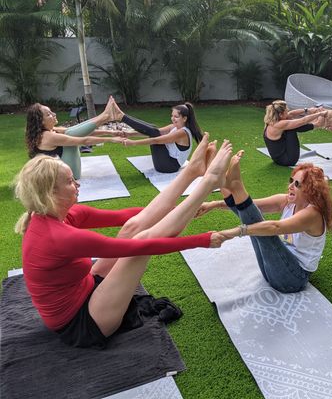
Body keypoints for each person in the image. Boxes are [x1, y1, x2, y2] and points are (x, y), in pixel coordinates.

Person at [14, 135, 232, 348]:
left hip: (86, 288)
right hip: (82, 323)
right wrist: (202, 240)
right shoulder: (58, 236)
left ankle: (193, 172)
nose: (77, 184)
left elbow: (125, 217)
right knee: (141, 242)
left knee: (132, 229)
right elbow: (141, 247)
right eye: (70, 182)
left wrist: (181, 208)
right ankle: (208, 182)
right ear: (51, 193)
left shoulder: (59, 214)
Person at [202, 153, 332, 293]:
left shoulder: (313, 214)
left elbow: (275, 227)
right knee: (255, 222)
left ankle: (234, 185)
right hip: (272, 269)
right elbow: (252, 207)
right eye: (291, 180)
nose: (290, 186)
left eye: (297, 184)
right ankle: (225, 183)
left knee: (265, 231)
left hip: (293, 279)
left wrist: (233, 232)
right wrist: (213, 204)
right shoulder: (287, 201)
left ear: (310, 190)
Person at [25, 99, 123, 179]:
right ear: (41, 122)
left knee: (70, 131)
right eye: (49, 114)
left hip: (63, 173)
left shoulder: (51, 131)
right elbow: (84, 141)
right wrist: (110, 139)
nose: (54, 114)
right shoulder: (48, 136)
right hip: (64, 178)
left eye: (51, 111)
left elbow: (80, 131)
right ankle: (105, 116)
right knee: (70, 135)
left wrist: (111, 132)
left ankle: (105, 116)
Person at [108, 98, 205, 173]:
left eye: (176, 116)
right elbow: (155, 131)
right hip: (167, 162)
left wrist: (133, 143)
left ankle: (122, 116)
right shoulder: (174, 127)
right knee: (154, 129)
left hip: (169, 166)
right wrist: (131, 134)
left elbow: (156, 140)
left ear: (184, 119)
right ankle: (121, 116)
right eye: (172, 115)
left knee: (154, 132)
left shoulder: (182, 133)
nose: (173, 118)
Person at [263, 100, 327, 166]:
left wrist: (308, 110)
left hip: (278, 158)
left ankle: (316, 124)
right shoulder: (279, 124)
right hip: (287, 160)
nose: (288, 112)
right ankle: (317, 124)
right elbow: (302, 121)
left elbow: (291, 114)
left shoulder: (271, 120)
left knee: (290, 120)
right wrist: (320, 113)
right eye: (286, 111)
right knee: (292, 127)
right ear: (280, 114)